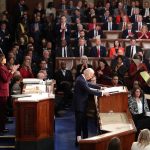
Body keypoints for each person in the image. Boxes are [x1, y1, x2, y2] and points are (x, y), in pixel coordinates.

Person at [73, 68, 109, 146]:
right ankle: (78, 141)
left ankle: (85, 140)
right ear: (88, 74)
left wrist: (100, 87)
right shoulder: (80, 80)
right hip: (80, 106)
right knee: (79, 124)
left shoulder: (82, 78)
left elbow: (89, 84)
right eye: (92, 75)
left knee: (84, 124)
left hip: (83, 105)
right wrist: (102, 93)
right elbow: (89, 90)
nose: (92, 77)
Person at [0, 54, 19, 135]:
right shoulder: (0, 68)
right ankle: (1, 128)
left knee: (3, 110)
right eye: (4, 58)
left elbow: (8, 74)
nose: (5, 59)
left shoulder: (3, 66)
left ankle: (3, 126)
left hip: (5, 90)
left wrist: (12, 70)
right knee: (2, 111)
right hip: (1, 92)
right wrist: (13, 71)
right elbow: (6, 79)